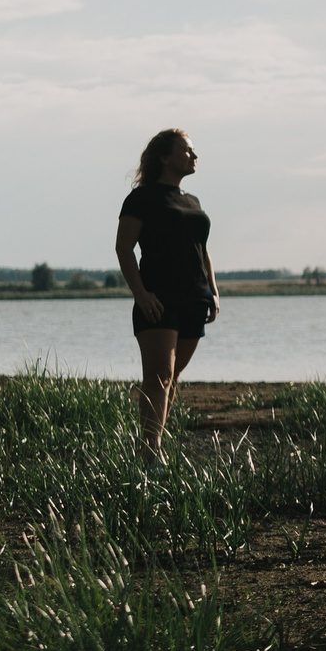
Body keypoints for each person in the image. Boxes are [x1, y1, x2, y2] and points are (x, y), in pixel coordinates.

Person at [117, 129, 216, 469]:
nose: (194, 156)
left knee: (171, 379)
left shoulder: (193, 202)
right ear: (164, 157)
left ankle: (150, 447)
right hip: (158, 299)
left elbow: (202, 250)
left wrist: (213, 290)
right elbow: (123, 248)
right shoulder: (141, 199)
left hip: (195, 298)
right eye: (187, 151)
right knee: (159, 375)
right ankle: (151, 453)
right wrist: (140, 294)